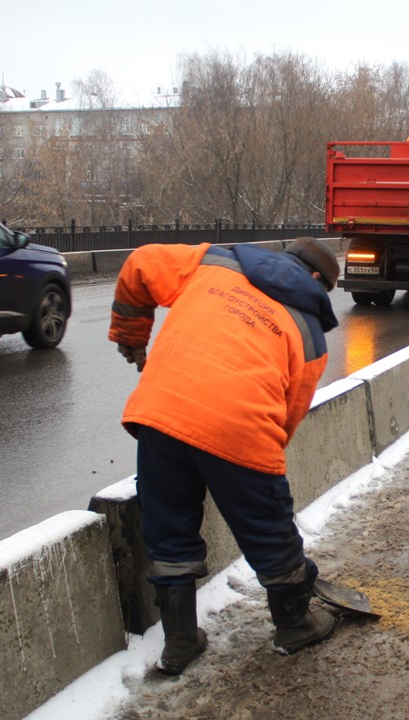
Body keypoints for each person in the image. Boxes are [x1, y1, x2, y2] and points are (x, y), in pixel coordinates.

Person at [108, 236, 342, 675]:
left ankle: (179, 641)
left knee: (169, 523)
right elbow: (288, 416)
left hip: (160, 413)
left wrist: (131, 338)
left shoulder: (211, 261)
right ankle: (294, 626)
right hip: (241, 428)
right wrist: (247, 473)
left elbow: (139, 263)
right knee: (268, 528)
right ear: (317, 281)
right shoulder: (310, 335)